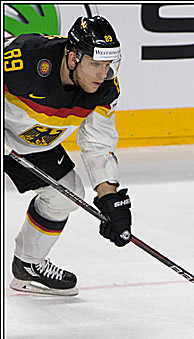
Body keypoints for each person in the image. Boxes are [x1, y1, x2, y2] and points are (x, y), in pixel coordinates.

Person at [3, 15, 133, 296]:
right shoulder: (24, 59)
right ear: (72, 58)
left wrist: (108, 196)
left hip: (32, 143)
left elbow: (98, 143)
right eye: (95, 64)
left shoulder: (104, 89)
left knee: (65, 194)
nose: (103, 73)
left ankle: (28, 265)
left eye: (108, 64)